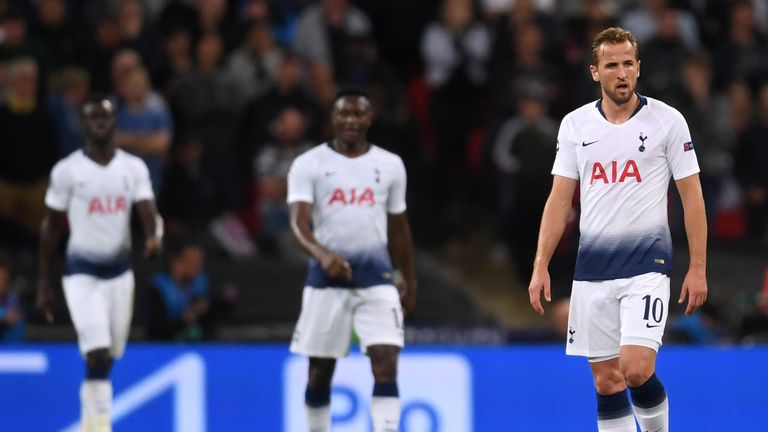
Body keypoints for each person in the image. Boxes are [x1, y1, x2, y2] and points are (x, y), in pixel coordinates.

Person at [527, 27, 707, 432]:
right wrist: (541, 264)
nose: (622, 72)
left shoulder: (667, 121)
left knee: (636, 368)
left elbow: (692, 197)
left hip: (648, 266)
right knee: (607, 381)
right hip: (592, 270)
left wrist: (697, 266)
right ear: (595, 72)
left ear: (638, 68)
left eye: (628, 63)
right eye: (612, 65)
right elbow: (559, 201)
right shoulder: (575, 126)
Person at [286, 88, 417, 432]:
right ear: (333, 117)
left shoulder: (390, 165)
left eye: (358, 114)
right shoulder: (309, 164)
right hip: (327, 278)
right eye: (344, 113)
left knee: (386, 360)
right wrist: (322, 255)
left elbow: (399, 227)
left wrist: (410, 279)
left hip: (377, 277)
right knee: (320, 370)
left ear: (369, 118)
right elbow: (298, 224)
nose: (350, 120)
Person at [37, 95, 162, 432]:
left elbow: (148, 211)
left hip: (120, 273)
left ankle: (92, 416)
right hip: (81, 272)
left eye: (105, 116)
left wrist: (153, 237)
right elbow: (50, 226)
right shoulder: (68, 171)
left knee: (110, 356)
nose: (100, 123)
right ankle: (100, 424)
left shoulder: (133, 168)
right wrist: (44, 281)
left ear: (115, 121)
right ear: (84, 125)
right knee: (98, 351)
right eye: (93, 117)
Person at [146, 238, 210, 342]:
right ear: (176, 262)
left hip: (199, 346)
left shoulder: (201, 285)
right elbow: (155, 328)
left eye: (200, 262)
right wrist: (185, 319)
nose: (198, 267)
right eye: (193, 262)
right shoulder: (157, 287)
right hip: (163, 346)